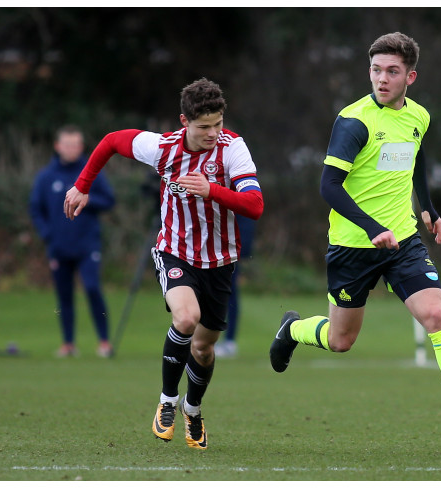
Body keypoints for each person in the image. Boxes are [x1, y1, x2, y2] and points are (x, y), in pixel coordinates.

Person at [269, 32, 441, 445]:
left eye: (392, 72)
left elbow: (416, 159)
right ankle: (292, 330)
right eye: (376, 70)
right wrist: (370, 227)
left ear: (410, 77)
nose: (382, 79)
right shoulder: (354, 122)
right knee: (341, 340)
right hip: (352, 246)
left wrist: (428, 208)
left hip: (402, 241)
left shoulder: (419, 117)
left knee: (436, 317)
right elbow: (329, 185)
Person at [63, 78, 263, 451]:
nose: (213, 133)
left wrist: (212, 189)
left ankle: (193, 407)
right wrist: (83, 185)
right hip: (175, 251)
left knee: (204, 348)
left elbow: (254, 205)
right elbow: (110, 141)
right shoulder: (162, 148)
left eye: (218, 124)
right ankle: (168, 400)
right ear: (184, 122)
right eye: (204, 126)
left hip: (219, 260)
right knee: (185, 318)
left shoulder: (233, 148)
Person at [30, 124, 116, 358]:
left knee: (92, 288)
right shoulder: (46, 177)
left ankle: (104, 342)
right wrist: (48, 235)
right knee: (64, 295)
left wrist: (85, 197)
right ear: (58, 146)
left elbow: (109, 200)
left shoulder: (91, 172)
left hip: (87, 245)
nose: (72, 149)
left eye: (76, 144)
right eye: (67, 144)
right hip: (58, 247)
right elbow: (36, 209)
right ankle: (68, 344)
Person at [214, 214, 256, 358]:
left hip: (229, 251)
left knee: (229, 294)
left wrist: (241, 251)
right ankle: (207, 338)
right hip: (210, 249)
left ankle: (229, 342)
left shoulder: (238, 192)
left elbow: (246, 220)